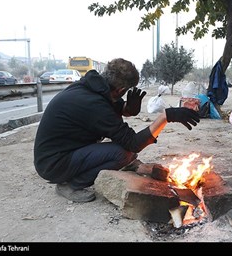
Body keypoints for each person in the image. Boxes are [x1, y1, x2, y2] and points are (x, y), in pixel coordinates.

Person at [33, 58, 200, 203]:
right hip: (54, 163)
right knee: (123, 154)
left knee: (122, 151)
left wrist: (130, 108)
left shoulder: (93, 88)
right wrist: (165, 117)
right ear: (121, 91)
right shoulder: (94, 104)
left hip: (59, 153)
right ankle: (71, 185)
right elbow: (133, 143)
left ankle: (119, 167)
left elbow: (118, 109)